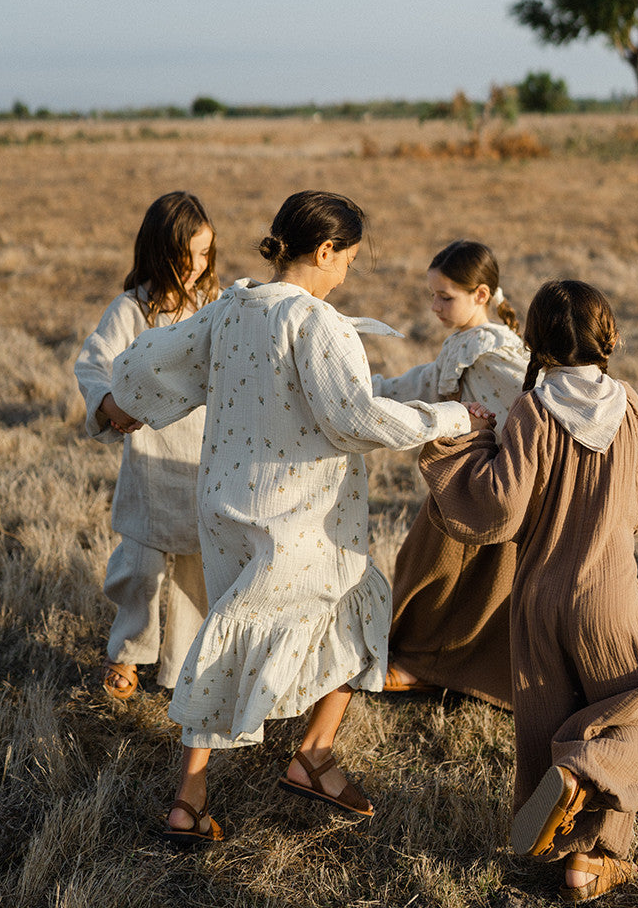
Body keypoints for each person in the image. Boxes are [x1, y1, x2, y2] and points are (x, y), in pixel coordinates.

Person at [108, 190, 484, 844]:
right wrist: (454, 419)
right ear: (325, 250)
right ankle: (229, 784)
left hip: (225, 505)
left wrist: (127, 403)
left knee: (265, 622)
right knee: (335, 611)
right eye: (350, 260)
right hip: (295, 515)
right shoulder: (315, 323)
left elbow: (146, 359)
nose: (348, 275)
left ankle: (297, 759)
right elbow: (355, 417)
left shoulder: (231, 308)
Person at [418, 280, 638, 903]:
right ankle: (589, 826)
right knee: (636, 704)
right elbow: (633, 509)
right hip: (607, 594)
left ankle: (569, 846)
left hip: (537, 597)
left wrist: (467, 447)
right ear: (606, 336)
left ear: (535, 340)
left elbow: (501, 507)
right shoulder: (629, 405)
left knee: (552, 713)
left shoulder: (532, 409)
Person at [74, 191, 218, 701]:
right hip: (151, 460)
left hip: (203, 459)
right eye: (187, 256)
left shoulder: (214, 308)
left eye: (205, 254)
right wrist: (109, 403)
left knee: (197, 572)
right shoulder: (132, 309)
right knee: (140, 567)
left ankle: (182, 666)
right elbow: (92, 363)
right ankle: (128, 651)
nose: (197, 267)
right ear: (158, 251)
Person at [372, 240, 528, 703]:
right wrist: (363, 391)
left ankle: (422, 665)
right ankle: (428, 663)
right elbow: (419, 383)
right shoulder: (466, 344)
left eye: (446, 296)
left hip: (488, 485)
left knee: (446, 578)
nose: (434, 306)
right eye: (432, 295)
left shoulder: (493, 353)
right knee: (428, 569)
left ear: (481, 295)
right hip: (462, 481)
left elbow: (532, 401)